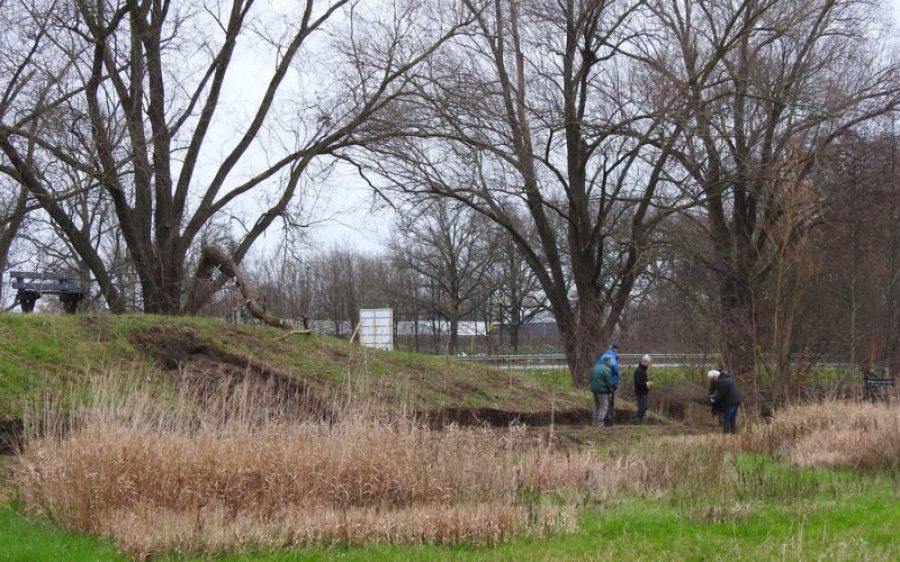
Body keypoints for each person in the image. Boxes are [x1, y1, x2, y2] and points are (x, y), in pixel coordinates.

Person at [598, 342, 620, 426]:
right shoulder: (611, 357)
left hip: (601, 382)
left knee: (603, 403)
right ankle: (608, 421)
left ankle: (601, 421)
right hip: (609, 383)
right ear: (615, 349)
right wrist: (614, 384)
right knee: (609, 402)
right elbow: (614, 368)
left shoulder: (604, 355)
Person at [590, 356, 615, 427]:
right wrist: (611, 390)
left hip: (594, 390)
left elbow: (590, 379)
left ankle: (594, 422)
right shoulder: (607, 370)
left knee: (596, 405)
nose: (611, 363)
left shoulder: (595, 368)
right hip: (602, 391)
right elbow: (608, 382)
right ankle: (600, 423)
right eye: (610, 361)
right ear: (607, 362)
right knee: (603, 406)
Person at [633, 354, 653, 421]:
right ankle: (637, 419)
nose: (649, 365)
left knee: (645, 406)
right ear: (644, 362)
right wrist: (646, 384)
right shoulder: (639, 371)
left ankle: (639, 419)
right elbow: (638, 383)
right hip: (640, 392)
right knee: (642, 407)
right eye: (648, 363)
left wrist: (648, 383)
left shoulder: (644, 370)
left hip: (644, 391)